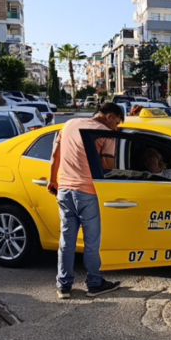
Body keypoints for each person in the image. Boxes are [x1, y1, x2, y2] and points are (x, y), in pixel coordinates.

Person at [48, 103, 124, 299]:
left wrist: (52, 181)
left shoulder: (69, 124)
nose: (115, 128)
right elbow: (108, 167)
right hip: (88, 192)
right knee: (91, 242)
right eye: (116, 123)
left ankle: (63, 286)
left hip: (64, 190)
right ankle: (94, 284)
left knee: (66, 241)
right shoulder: (106, 134)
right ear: (109, 116)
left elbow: (54, 155)